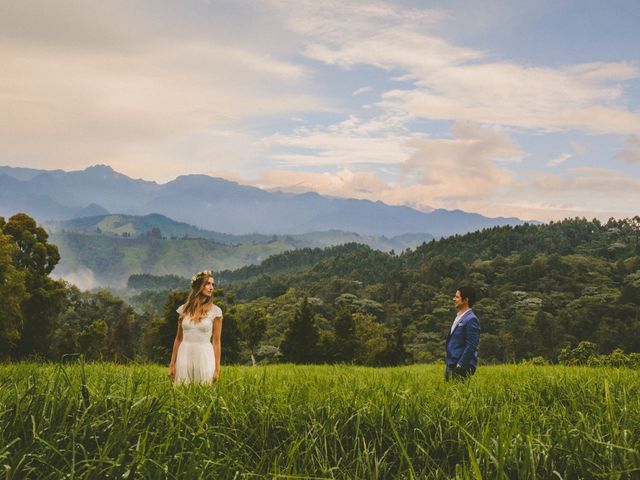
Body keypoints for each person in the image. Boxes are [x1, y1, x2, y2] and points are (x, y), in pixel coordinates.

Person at [168, 270, 223, 384]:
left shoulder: (216, 311)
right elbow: (178, 339)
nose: (211, 287)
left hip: (205, 355)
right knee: (183, 391)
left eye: (213, 284)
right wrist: (172, 364)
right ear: (198, 286)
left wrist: (217, 368)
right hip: (184, 355)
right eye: (207, 283)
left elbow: (216, 341)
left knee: (204, 392)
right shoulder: (184, 310)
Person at [445, 286, 480, 381]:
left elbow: (471, 345)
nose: (454, 299)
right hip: (451, 364)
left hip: (461, 367)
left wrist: (460, 365)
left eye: (457, 297)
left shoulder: (471, 319)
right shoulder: (458, 316)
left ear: (465, 300)